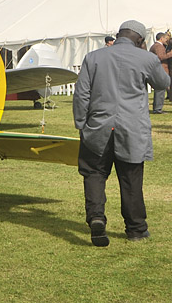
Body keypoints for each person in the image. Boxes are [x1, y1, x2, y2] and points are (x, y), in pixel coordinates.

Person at [73, 19, 170, 246]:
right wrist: (146, 54)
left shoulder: (93, 57)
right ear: (139, 40)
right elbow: (162, 82)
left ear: (118, 35)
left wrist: (81, 124)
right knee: (131, 179)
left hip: (97, 127)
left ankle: (96, 217)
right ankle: (136, 229)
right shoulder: (146, 58)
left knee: (94, 174)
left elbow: (81, 94)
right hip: (131, 129)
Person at [148, 32, 169, 114]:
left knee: (160, 90)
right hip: (160, 69)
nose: (166, 40)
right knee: (160, 89)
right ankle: (157, 109)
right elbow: (161, 57)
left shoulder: (155, 46)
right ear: (161, 38)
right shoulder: (158, 46)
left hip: (158, 69)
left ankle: (157, 108)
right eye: (165, 38)